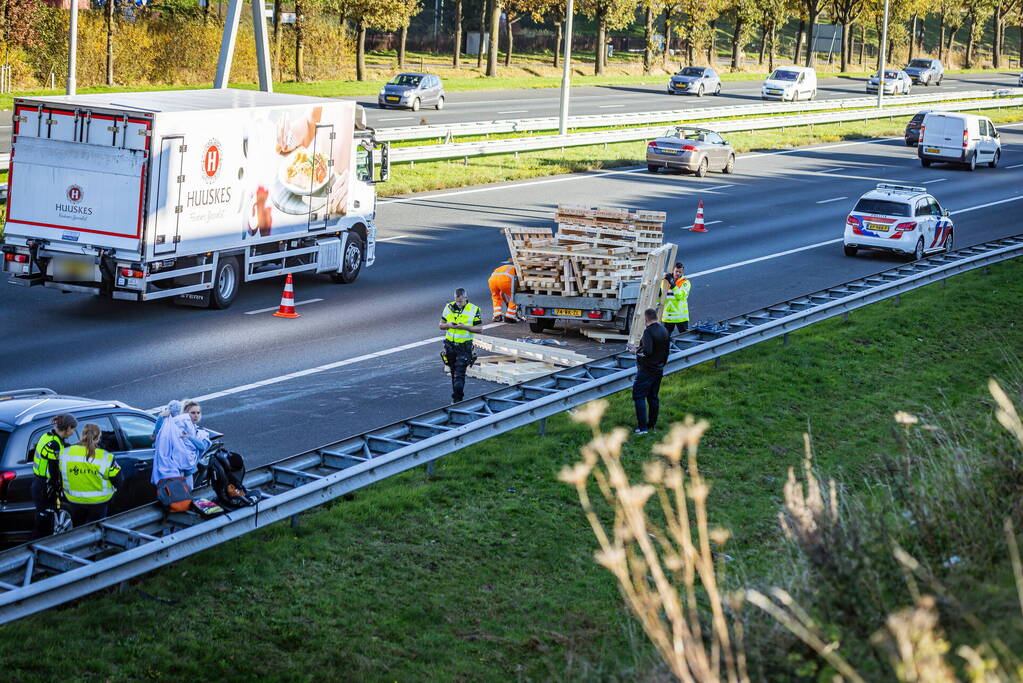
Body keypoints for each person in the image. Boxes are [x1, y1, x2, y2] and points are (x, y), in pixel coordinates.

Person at [59, 423, 122, 527]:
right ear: (98, 438)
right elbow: (119, 480)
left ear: (82, 435)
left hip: (74, 500)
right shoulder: (105, 457)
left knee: (78, 531)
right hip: (99, 503)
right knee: (97, 532)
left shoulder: (65, 453)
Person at [31, 413, 78, 539]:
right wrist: (57, 487)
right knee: (44, 526)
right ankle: (35, 552)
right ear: (68, 428)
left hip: (38, 483)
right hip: (45, 487)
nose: (73, 433)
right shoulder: (55, 444)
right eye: (73, 429)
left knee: (43, 522)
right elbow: (53, 469)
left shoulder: (47, 436)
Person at [439, 288, 483, 403]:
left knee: (459, 375)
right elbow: (441, 325)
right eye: (457, 301)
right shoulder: (448, 307)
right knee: (454, 373)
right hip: (450, 347)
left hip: (464, 348)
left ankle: (457, 399)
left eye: (461, 301)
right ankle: (456, 399)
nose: (458, 303)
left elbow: (479, 329)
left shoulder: (473, 309)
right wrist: (448, 325)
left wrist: (466, 327)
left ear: (466, 298)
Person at [632, 308, 670, 435]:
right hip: (659, 369)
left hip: (647, 370)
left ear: (645, 319)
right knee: (653, 397)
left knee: (639, 397)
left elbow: (647, 351)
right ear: (656, 317)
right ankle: (651, 425)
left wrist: (635, 351)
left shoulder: (648, 332)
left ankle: (642, 428)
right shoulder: (664, 330)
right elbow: (666, 351)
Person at [661, 262, 691, 336]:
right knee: (666, 338)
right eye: (676, 271)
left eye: (680, 272)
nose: (678, 273)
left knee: (685, 337)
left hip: (680, 316)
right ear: (672, 270)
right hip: (669, 316)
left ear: (682, 272)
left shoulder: (685, 283)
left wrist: (672, 284)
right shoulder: (665, 281)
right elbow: (661, 297)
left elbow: (680, 296)